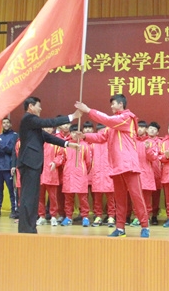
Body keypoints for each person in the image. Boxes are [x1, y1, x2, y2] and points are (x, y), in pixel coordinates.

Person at [75, 95, 150, 238]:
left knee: (136, 197)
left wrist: (88, 110)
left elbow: (108, 120)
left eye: (113, 104)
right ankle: (120, 228)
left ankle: (145, 226)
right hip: (116, 166)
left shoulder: (127, 118)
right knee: (119, 199)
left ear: (121, 104)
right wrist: (84, 136)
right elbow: (101, 137)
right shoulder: (112, 126)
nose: (111, 106)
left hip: (129, 164)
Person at [17, 96, 81, 234]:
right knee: (28, 197)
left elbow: (47, 137)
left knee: (33, 197)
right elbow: (49, 122)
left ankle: (29, 228)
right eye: (38, 106)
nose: (40, 109)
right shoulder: (28, 119)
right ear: (31, 106)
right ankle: (25, 229)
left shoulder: (33, 124)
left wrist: (67, 144)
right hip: (29, 163)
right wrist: (72, 116)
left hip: (33, 164)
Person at [60, 124, 92, 227]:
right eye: (73, 132)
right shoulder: (66, 145)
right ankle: (68, 217)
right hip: (68, 174)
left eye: (76, 132)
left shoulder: (85, 146)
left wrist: (83, 170)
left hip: (81, 175)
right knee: (68, 198)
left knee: (83, 198)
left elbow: (88, 162)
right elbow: (62, 160)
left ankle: (85, 217)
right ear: (70, 133)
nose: (74, 134)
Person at [87, 123, 116, 227]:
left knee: (110, 198)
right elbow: (89, 160)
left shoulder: (112, 143)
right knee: (97, 198)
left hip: (109, 174)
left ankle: (111, 216)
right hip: (97, 174)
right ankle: (98, 216)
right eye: (100, 131)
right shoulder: (93, 144)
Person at [0, 118, 19, 218]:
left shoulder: (14, 135)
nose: (5, 124)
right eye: (4, 123)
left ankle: (14, 209)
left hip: (8, 166)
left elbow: (11, 150)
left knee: (11, 190)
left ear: (10, 124)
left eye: (7, 123)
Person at [36, 127, 64, 227]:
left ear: (53, 129)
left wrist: (55, 163)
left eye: (49, 128)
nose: (48, 130)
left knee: (53, 197)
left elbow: (61, 155)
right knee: (40, 197)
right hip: (39, 173)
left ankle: (53, 216)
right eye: (46, 128)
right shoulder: (37, 141)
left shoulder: (55, 141)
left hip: (51, 173)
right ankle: (42, 216)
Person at [147, 121, 162, 225]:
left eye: (154, 129)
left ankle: (154, 216)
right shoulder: (144, 141)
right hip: (146, 173)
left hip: (157, 173)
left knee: (156, 196)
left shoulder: (160, 142)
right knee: (146, 196)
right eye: (150, 128)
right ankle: (146, 216)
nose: (152, 130)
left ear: (157, 132)